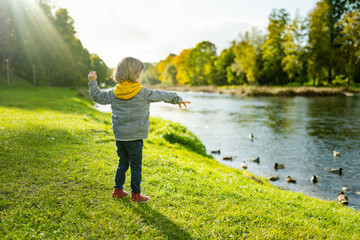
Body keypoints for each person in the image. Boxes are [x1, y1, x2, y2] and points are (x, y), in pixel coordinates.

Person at [88, 57, 190, 202]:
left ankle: (118, 190)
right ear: (136, 75)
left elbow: (97, 97)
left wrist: (92, 82)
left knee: (122, 163)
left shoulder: (114, 93)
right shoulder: (143, 93)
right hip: (135, 137)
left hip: (120, 136)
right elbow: (162, 95)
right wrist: (178, 99)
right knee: (136, 166)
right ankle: (136, 194)